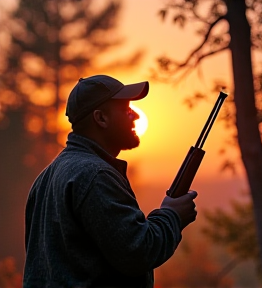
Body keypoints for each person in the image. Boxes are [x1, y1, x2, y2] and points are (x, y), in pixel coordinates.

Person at [23, 75, 198, 288]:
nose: (135, 115)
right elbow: (138, 252)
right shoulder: (95, 175)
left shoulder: (46, 177)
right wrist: (172, 215)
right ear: (101, 118)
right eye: (126, 108)